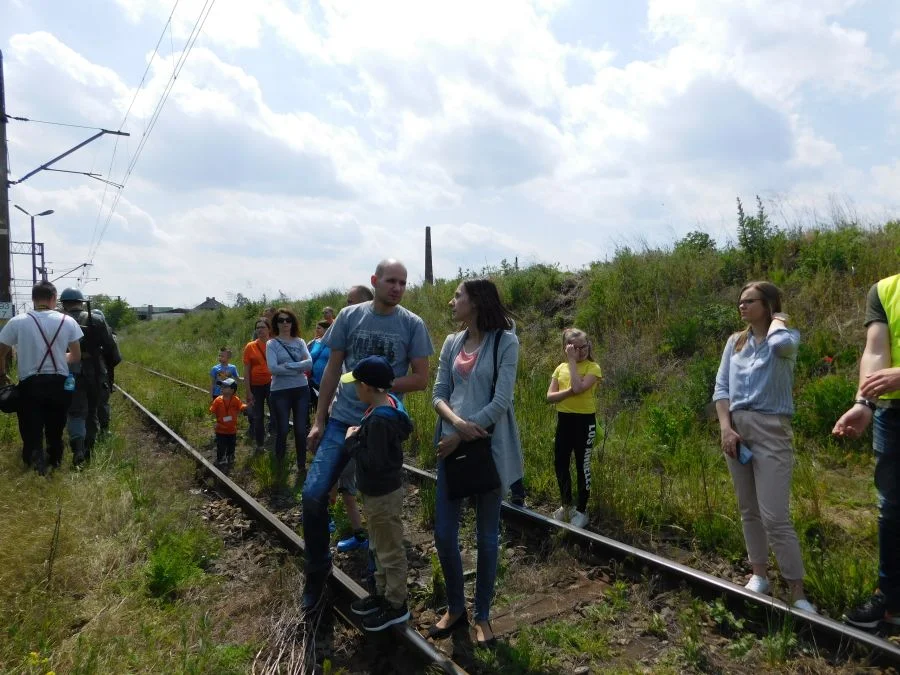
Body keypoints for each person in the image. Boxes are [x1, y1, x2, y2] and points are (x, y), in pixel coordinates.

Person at [302, 259, 433, 609]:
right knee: (314, 495)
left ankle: (382, 588)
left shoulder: (412, 325)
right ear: (375, 281)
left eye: (403, 283)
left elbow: (421, 378)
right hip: (341, 421)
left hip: (380, 429)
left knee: (377, 505)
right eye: (391, 281)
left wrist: (378, 386)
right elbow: (331, 369)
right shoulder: (350, 316)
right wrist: (318, 420)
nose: (397, 288)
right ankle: (316, 572)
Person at [429, 278, 524, 647]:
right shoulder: (452, 342)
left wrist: (465, 432)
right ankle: (456, 608)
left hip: (489, 448)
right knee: (443, 534)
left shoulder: (505, 341)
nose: (452, 301)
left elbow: (501, 401)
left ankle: (482, 615)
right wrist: (454, 426)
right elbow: (439, 393)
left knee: (487, 536)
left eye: (458, 296)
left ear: (477, 301)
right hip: (450, 447)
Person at [713, 281, 815, 613]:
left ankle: (796, 590)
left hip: (772, 430)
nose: (741, 306)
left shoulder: (786, 338)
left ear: (768, 303)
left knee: (775, 515)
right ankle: (759, 574)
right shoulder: (734, 342)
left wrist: (778, 320)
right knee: (749, 510)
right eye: (739, 302)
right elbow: (722, 387)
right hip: (737, 431)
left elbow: (781, 346)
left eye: (749, 301)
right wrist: (726, 428)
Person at [834, 273, 900, 627]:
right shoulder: (885, 289)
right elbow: (876, 350)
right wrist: (864, 404)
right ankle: (889, 602)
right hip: (893, 414)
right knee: (891, 509)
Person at [343, 356, 414, 631]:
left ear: (368, 387)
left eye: (357, 385)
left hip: (381, 494)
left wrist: (352, 442)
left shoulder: (380, 421)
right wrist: (364, 434)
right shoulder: (387, 406)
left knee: (389, 550)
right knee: (380, 546)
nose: (355, 389)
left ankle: (396, 604)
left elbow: (374, 461)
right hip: (379, 493)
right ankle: (384, 595)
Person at [0, 281, 82, 474]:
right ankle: (55, 461)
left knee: (31, 428)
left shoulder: (17, 322)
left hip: (30, 385)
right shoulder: (68, 321)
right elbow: (76, 356)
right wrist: (58, 358)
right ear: (54, 298)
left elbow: (0, 353)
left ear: (33, 299)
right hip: (59, 384)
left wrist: (3, 375)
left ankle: (35, 465)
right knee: (55, 427)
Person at [546, 327, 602, 528]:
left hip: (584, 422)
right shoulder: (560, 368)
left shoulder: (593, 367)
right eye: (575, 348)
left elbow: (579, 388)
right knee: (560, 462)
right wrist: (570, 392)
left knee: (582, 465)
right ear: (566, 348)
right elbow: (549, 397)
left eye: (584, 346)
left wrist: (572, 362)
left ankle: (582, 510)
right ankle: (566, 505)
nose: (581, 351)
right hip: (564, 420)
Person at [60, 287, 118, 466]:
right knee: (92, 410)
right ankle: (88, 449)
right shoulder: (97, 319)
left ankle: (77, 448)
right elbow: (111, 349)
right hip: (95, 372)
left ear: (64, 303)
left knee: (75, 412)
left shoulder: (59, 321)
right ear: (81, 302)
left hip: (69, 372)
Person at [267, 308, 312, 482]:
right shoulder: (272, 344)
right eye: (281, 320)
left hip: (301, 389)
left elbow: (308, 364)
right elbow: (272, 368)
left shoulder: (300, 341)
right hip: (280, 391)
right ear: (276, 324)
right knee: (283, 429)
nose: (285, 323)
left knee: (301, 430)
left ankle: (301, 465)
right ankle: (280, 464)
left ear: (292, 323)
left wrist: (288, 367)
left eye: (288, 320)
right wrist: (297, 368)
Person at [243, 317, 273, 453]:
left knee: (276, 413)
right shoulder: (250, 346)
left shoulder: (275, 344)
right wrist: (248, 391)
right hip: (256, 386)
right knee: (258, 416)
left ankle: (274, 439)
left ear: (269, 329)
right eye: (258, 327)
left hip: (273, 384)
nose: (260, 330)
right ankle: (260, 444)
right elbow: (247, 370)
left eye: (263, 327)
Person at [209, 377, 246, 468]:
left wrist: (247, 407)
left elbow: (241, 407)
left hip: (232, 429)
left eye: (225, 387)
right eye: (221, 386)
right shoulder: (218, 400)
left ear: (232, 390)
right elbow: (212, 411)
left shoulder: (235, 400)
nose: (222, 388)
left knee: (231, 445)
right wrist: (215, 422)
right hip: (220, 429)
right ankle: (221, 459)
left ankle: (230, 457)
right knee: (221, 446)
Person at [97, 320, 121, 435]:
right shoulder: (108, 331)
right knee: (102, 401)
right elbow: (116, 357)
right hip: (102, 371)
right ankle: (104, 430)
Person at [308, 320, 331, 418]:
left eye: (318, 328)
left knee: (325, 407)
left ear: (327, 329)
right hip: (313, 380)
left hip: (327, 380)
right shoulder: (313, 343)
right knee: (312, 406)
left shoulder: (333, 342)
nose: (316, 330)